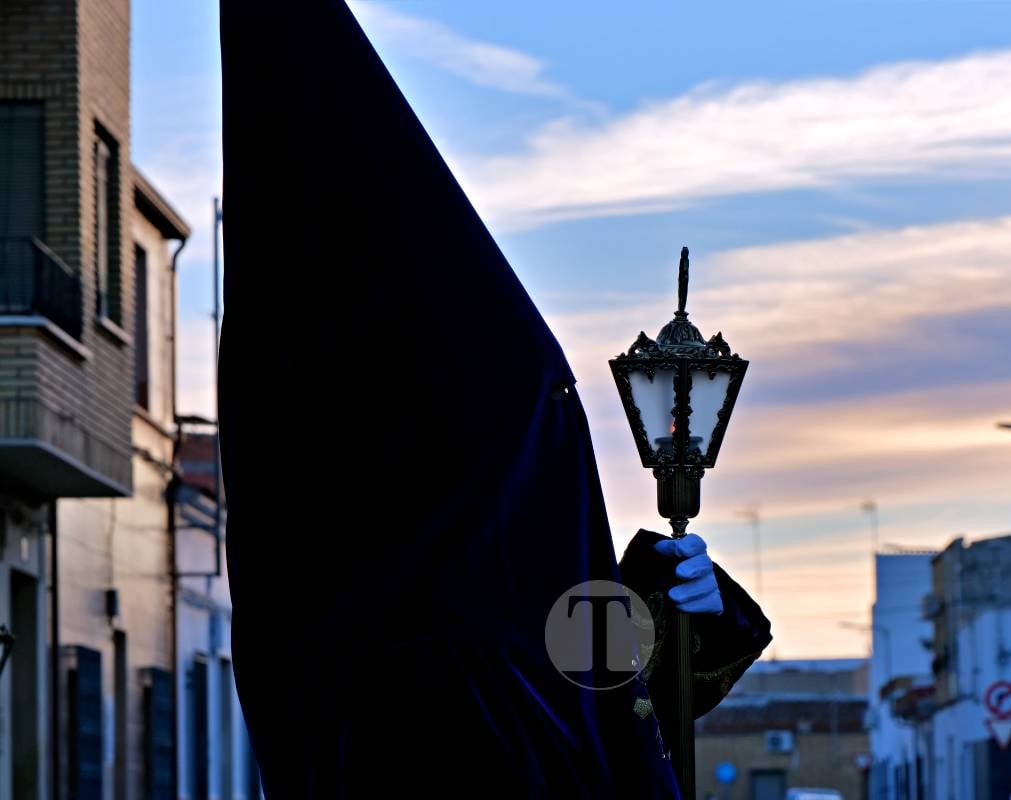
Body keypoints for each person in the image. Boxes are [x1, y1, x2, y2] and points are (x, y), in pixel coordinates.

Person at [218, 2, 771, 796]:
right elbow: (561, 711)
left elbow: (574, 687)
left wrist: (677, 614)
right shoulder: (407, 681)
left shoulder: (434, 633)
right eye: (536, 431)